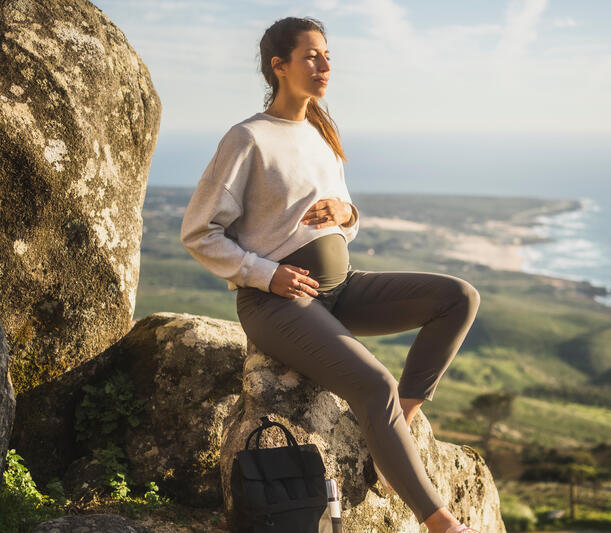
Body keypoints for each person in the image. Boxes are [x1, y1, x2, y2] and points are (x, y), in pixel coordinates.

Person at [180, 16, 481, 533]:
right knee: (373, 385)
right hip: (277, 303)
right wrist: (264, 274)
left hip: (340, 290)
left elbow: (343, 218)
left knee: (458, 296)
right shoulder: (247, 138)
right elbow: (199, 232)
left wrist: (347, 215)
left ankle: (400, 422)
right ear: (279, 66)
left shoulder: (321, 132)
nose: (324, 65)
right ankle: (441, 524)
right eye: (312, 55)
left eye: (327, 56)